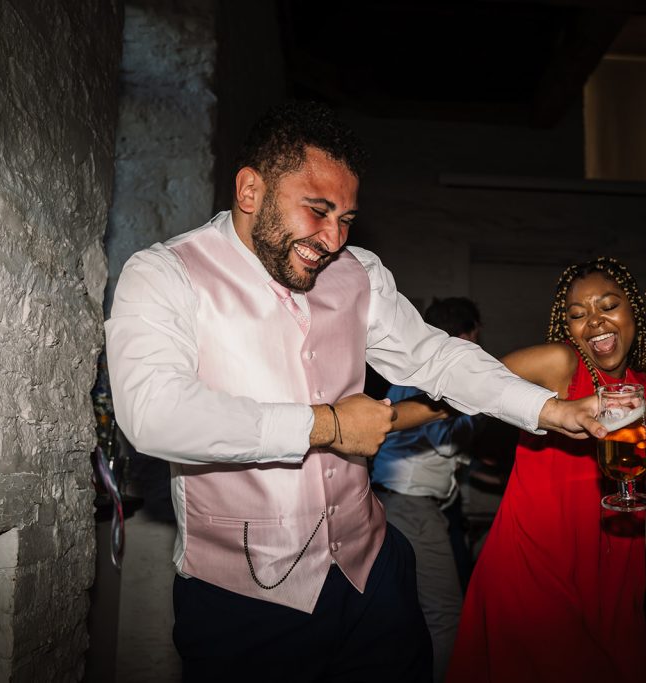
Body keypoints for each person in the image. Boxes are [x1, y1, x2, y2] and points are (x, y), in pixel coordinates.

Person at [104, 101, 606, 682]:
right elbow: (154, 413)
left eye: (345, 218)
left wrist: (547, 409)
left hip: (374, 575)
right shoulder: (166, 274)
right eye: (317, 211)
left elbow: (437, 356)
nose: (333, 238)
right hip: (244, 600)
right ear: (249, 191)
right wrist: (330, 426)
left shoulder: (359, 273)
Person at [446, 257, 646, 683]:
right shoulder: (559, 364)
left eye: (608, 306)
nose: (595, 322)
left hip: (613, 565)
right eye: (578, 314)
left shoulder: (643, 389)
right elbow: (465, 383)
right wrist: (387, 418)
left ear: (634, 311)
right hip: (536, 564)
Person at [372, 296, 482, 683]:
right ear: (465, 336)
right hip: (412, 506)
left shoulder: (410, 370)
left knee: (407, 612)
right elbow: (445, 442)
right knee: (445, 615)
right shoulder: (435, 375)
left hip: (395, 501)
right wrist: (480, 409)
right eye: (476, 337)